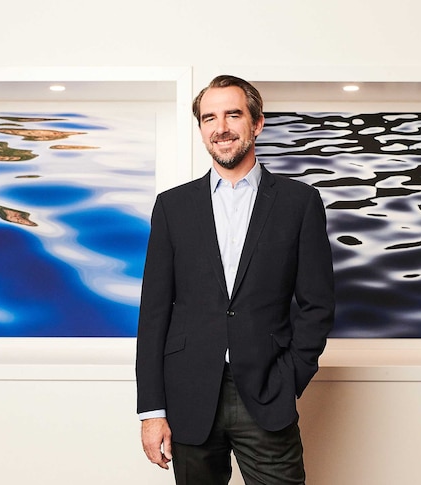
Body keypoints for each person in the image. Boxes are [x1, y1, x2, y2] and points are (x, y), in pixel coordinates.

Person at [136, 74, 335, 485]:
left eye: (232, 114)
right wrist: (152, 412)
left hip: (266, 391)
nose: (221, 127)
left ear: (257, 123)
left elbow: (318, 304)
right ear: (201, 129)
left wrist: (290, 376)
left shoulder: (299, 203)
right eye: (209, 118)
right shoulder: (173, 207)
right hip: (188, 394)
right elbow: (154, 313)